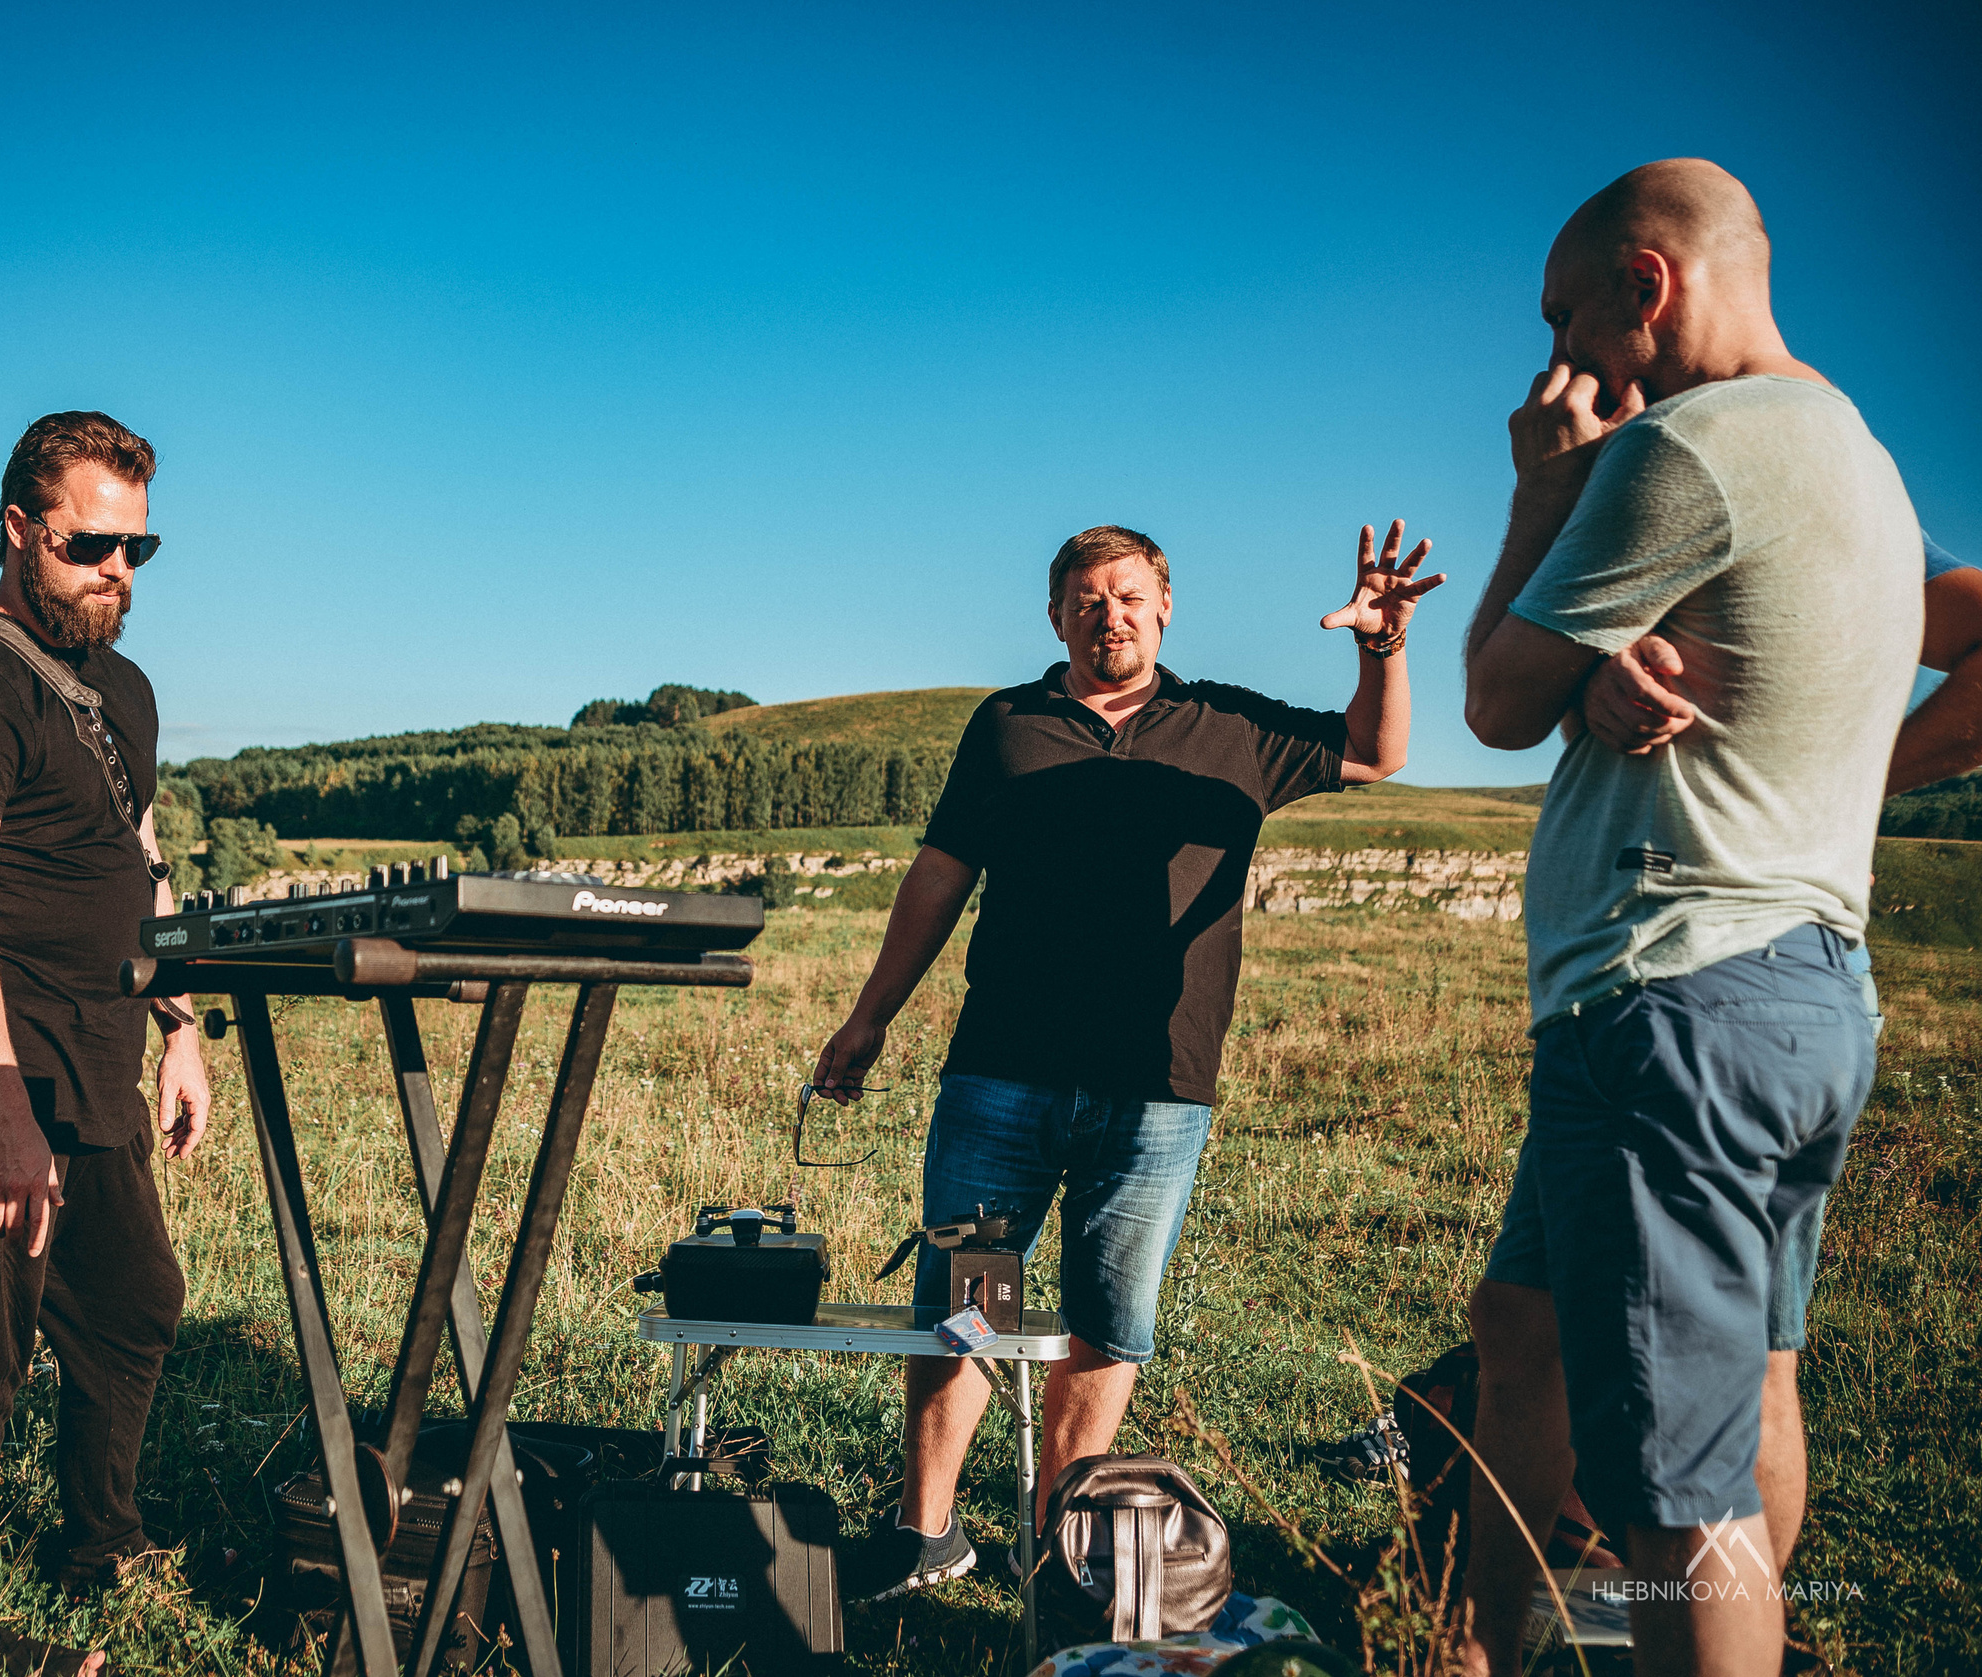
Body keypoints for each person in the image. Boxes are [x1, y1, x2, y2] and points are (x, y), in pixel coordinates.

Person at [1460, 161, 1922, 1677]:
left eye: (1567, 314)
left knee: (1674, 1492)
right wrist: (1845, 780)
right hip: (1798, 995)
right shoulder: (1856, 452)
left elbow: (1496, 699)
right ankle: (1476, 1645)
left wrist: (1540, 490)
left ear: (1644, 286)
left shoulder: (1685, 445)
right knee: (1565, 1337)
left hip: (1670, 1004)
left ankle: (1678, 1646)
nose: (1560, 357)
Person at [813, 518, 1444, 1599]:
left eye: (1128, 594)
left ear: (1164, 607)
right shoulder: (1008, 725)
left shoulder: (1233, 729)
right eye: (1085, 597)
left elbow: (1377, 752)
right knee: (966, 1304)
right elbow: (937, 874)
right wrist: (869, 1015)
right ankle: (925, 1532)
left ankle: (1055, 1545)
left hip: (1157, 1088)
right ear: (1056, 616)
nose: (1109, 613)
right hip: (999, 1071)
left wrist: (1381, 647)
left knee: (1108, 1320)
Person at [1551, 531, 1982, 1588]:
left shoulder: (1808, 479)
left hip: (1711, 981)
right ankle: (1500, 1631)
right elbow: (1548, 707)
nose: (1561, 361)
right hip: (1619, 978)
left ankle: (1715, 1634)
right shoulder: (1626, 493)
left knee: (1726, 1382)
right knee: (1529, 1328)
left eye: (1573, 350)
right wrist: (1595, 685)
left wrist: (1850, 774)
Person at [0, 411, 212, 1676]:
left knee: (131, 1305)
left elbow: (141, 858)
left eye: (139, 547)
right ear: (20, 529)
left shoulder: (122, 685)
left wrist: (179, 1022)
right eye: (89, 545)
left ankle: (99, 1541)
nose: (118, 570)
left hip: (96, 1051)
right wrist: (0, 1112)